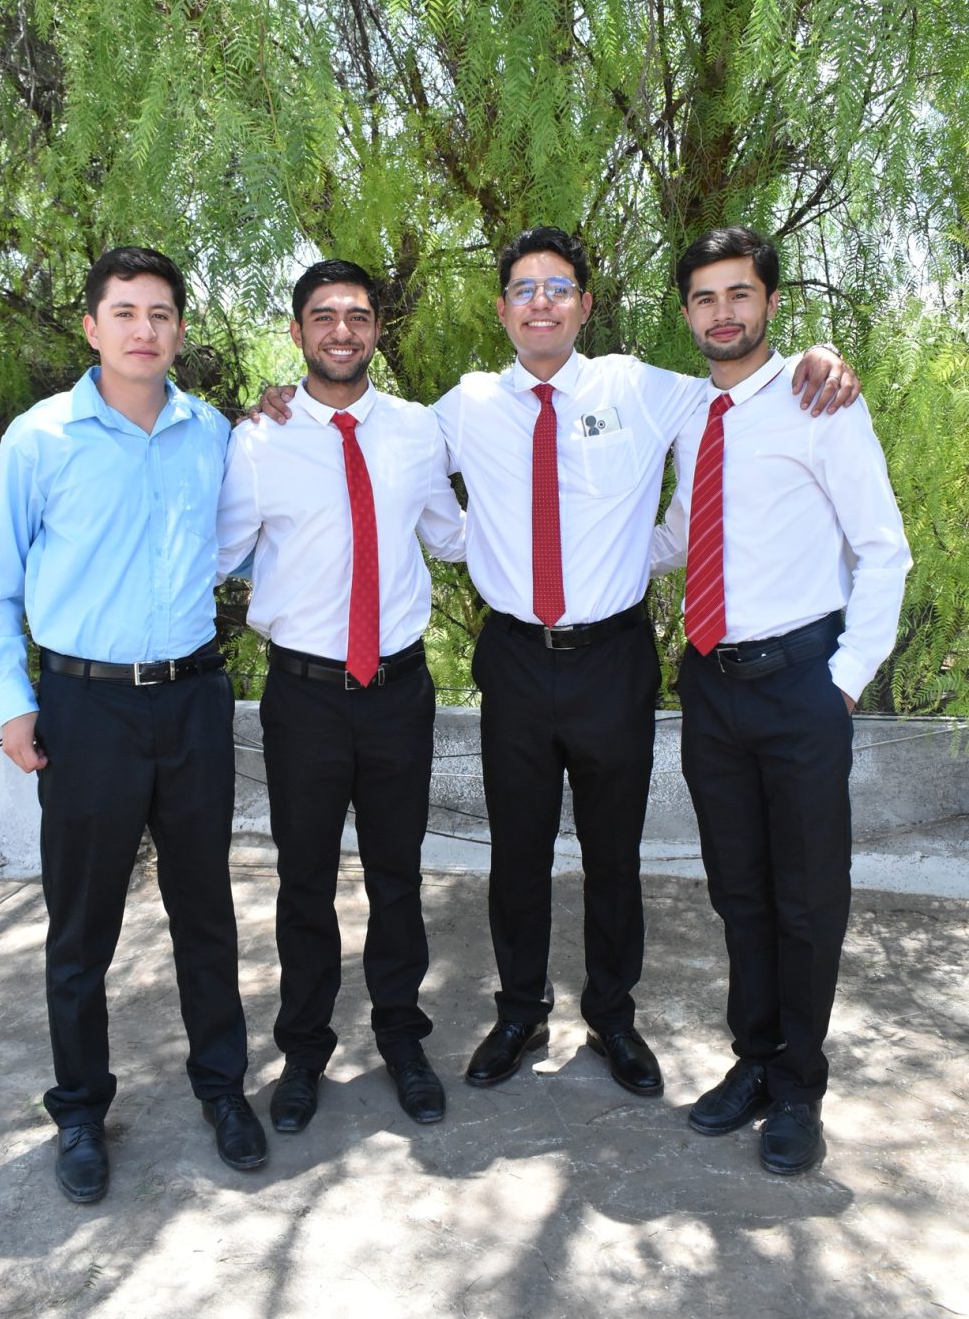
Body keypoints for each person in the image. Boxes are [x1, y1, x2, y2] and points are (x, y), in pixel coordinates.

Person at [255, 226, 857, 1102]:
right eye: (524, 290)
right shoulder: (462, 407)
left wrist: (816, 357)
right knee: (518, 850)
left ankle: (612, 1014)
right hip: (516, 660)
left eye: (559, 288)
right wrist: (281, 401)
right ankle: (520, 1010)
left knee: (614, 853)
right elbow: (375, 439)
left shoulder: (640, 388)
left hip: (613, 658)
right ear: (503, 310)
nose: (541, 303)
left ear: (584, 305)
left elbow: (741, 384)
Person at [0, 246, 263, 1204]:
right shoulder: (40, 439)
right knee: (82, 924)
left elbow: (247, 541)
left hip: (192, 698)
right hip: (85, 706)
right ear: (92, 326)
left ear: (179, 330)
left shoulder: (211, 432)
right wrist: (16, 702)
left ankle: (223, 1088)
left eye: (161, 314)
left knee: (204, 910)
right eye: (126, 312)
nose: (145, 329)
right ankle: (81, 1112)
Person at [651, 226, 910, 1174]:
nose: (723, 313)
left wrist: (844, 681)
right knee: (739, 891)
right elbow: (679, 535)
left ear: (768, 301)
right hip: (711, 685)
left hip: (803, 683)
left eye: (739, 294)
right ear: (688, 313)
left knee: (807, 898)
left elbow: (883, 548)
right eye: (705, 298)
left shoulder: (819, 401)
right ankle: (754, 1061)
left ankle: (800, 1088)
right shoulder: (691, 417)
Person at [215, 260, 466, 1134]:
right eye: (323, 316)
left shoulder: (417, 430)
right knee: (304, 881)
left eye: (357, 315)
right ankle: (304, 1051)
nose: (341, 330)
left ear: (377, 330)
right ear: (297, 333)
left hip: (399, 691)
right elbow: (216, 553)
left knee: (398, 876)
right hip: (306, 696)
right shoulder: (259, 441)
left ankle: (402, 1038)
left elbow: (451, 534)